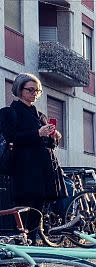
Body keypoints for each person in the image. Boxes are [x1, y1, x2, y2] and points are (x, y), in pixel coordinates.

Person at [0, 73, 66, 242]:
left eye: (37, 90)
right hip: (24, 170)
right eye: (30, 90)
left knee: (38, 210)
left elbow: (49, 145)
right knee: (23, 210)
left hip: (43, 170)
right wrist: (37, 133)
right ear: (19, 90)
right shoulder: (10, 113)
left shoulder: (41, 115)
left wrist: (54, 137)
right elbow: (11, 137)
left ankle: (33, 245)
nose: (34, 93)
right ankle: (22, 246)